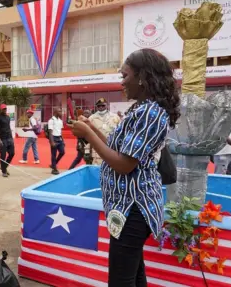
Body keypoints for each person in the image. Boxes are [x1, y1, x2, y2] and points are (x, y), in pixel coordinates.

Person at [70, 49, 180, 286]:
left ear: (142, 77)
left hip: (134, 209)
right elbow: (120, 149)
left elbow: (124, 165)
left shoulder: (150, 113)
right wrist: (93, 129)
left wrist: (88, 134)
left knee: (121, 280)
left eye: (125, 75)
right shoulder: (142, 109)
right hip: (127, 207)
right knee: (134, 274)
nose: (122, 82)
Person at [88, 98, 121, 165]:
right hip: (98, 150)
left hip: (112, 148)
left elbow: (120, 133)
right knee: (97, 170)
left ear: (107, 105)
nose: (101, 107)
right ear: (96, 107)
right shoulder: (91, 119)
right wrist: (87, 151)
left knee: (113, 167)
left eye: (103, 105)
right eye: (99, 106)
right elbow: (88, 136)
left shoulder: (115, 117)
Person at [0, 104, 15, 177]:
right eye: (3, 109)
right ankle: (4, 171)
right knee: (3, 155)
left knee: (12, 153)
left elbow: (9, 128)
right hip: (2, 139)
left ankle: (4, 166)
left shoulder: (8, 117)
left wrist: (12, 138)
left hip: (9, 138)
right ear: (0, 109)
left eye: (5, 109)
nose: (4, 110)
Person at [48, 108, 65, 175]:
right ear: (55, 112)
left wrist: (63, 141)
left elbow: (60, 131)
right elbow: (50, 132)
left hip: (59, 138)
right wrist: (52, 142)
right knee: (54, 154)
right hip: (53, 138)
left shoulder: (60, 120)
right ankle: (54, 169)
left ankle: (53, 164)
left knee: (62, 152)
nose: (61, 112)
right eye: (59, 111)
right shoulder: (51, 120)